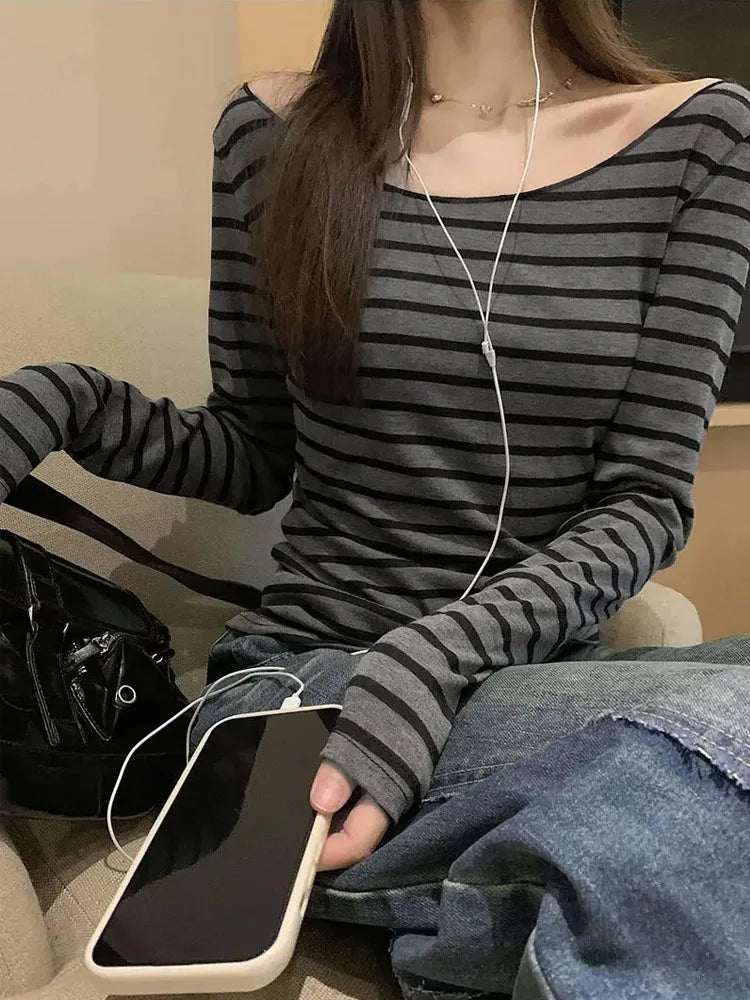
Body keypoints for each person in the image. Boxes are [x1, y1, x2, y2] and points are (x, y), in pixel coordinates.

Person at [2, 0, 750, 996]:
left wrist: (433, 658)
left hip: (533, 688)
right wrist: (65, 402)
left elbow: (644, 502)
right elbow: (253, 451)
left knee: (683, 768)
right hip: (306, 692)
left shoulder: (701, 140)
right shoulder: (269, 134)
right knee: (696, 765)